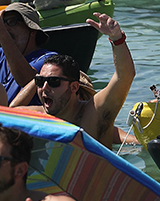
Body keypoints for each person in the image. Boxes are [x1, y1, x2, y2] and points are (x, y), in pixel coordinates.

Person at [27, 13, 133, 148]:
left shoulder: (94, 114)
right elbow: (8, 113)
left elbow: (124, 76)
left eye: (53, 82)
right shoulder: (36, 116)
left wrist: (117, 38)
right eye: (40, 81)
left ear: (74, 87)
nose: (45, 87)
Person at [0, 3, 55, 106]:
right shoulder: (1, 53)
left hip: (21, 115)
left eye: (11, 22)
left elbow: (26, 80)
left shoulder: (48, 60)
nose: (5, 27)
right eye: (3, 23)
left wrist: (3, 33)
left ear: (32, 30)